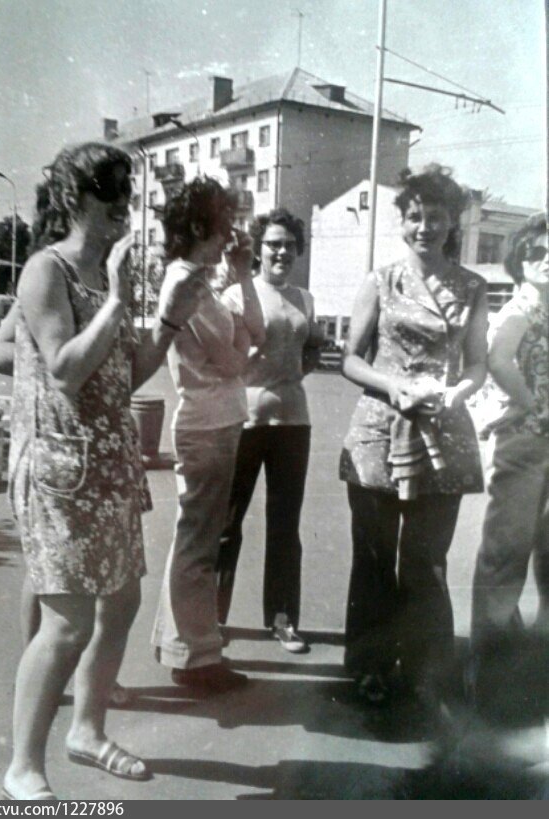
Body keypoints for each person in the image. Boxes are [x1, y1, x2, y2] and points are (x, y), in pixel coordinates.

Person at [2, 142, 203, 799]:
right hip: (60, 469)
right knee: (67, 623)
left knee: (122, 601)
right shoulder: (47, 269)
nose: (122, 203)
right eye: (107, 190)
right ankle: (23, 766)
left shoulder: (106, 271)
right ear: (72, 197)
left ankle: (87, 731)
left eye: (126, 191)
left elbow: (126, 374)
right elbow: (65, 369)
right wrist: (119, 298)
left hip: (111, 462)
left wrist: (169, 316)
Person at [339, 164, 488, 708]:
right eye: (414, 216)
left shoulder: (472, 287)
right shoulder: (381, 281)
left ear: (452, 223)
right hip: (379, 433)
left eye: (436, 217)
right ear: (402, 221)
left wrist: (458, 393)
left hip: (443, 437)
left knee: (427, 561)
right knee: (374, 557)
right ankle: (371, 667)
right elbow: (350, 359)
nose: (424, 227)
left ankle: (426, 671)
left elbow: (477, 364)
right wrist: (393, 386)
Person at [151, 177, 265, 693]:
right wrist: (242, 343)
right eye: (223, 228)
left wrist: (241, 277)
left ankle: (184, 647)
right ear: (200, 228)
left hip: (217, 421)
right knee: (198, 544)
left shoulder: (202, 281)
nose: (230, 237)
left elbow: (255, 332)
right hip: (207, 426)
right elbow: (237, 359)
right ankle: (195, 660)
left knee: (196, 539)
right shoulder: (188, 283)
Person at [0, 297, 131, 707]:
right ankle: (39, 673)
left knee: (103, 570)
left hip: (99, 442)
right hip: (53, 442)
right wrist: (63, 366)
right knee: (46, 570)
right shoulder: (46, 285)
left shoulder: (101, 290)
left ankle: (91, 675)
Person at [216, 208, 324, 652]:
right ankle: (211, 620)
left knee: (285, 525)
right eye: (274, 244)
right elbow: (222, 356)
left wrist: (291, 376)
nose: (282, 252)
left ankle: (282, 619)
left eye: (290, 245)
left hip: (293, 424)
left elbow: (313, 348)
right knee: (227, 523)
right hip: (242, 422)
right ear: (259, 250)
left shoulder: (305, 299)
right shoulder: (236, 295)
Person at [469, 213, 549, 716]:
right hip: (524, 443)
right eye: (537, 253)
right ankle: (488, 670)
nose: (547, 261)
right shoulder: (520, 309)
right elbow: (498, 361)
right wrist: (527, 403)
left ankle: (533, 659)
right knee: (506, 554)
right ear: (520, 261)